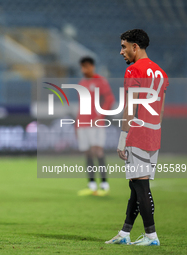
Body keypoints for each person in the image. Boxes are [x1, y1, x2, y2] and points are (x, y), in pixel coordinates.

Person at [105, 29, 168, 246]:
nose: (121, 51)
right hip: (154, 132)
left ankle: (151, 237)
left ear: (135, 47)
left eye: (124, 46)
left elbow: (130, 108)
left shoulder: (134, 70)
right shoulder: (161, 73)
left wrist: (123, 138)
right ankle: (124, 233)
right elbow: (160, 109)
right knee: (136, 185)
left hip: (138, 133)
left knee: (141, 187)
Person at [76, 57, 115, 196]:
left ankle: (104, 185)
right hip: (83, 123)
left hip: (95, 123)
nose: (83, 70)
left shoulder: (100, 81)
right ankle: (92, 185)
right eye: (82, 67)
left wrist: (100, 116)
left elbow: (110, 99)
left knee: (97, 151)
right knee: (87, 152)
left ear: (92, 67)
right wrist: (77, 124)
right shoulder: (81, 83)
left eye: (86, 67)